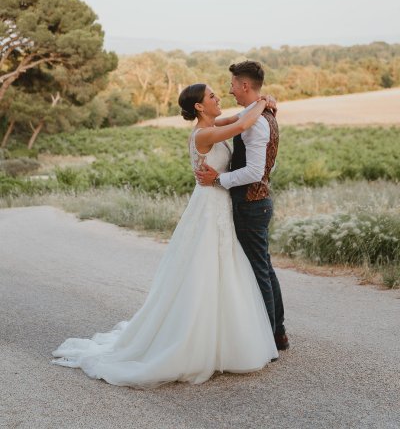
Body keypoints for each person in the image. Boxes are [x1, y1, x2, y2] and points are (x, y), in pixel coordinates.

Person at [52, 83, 278, 388]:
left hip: (217, 203)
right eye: (212, 96)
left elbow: (239, 116)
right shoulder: (204, 134)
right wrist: (263, 103)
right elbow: (242, 123)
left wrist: (262, 101)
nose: (218, 98)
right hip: (210, 207)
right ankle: (192, 342)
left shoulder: (213, 125)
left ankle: (223, 340)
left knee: (224, 268)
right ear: (199, 106)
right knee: (204, 269)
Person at [196, 61, 289, 351]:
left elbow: (254, 172)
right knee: (264, 268)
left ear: (245, 86)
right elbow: (231, 122)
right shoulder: (255, 112)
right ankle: (278, 332)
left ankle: (270, 338)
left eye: (233, 85)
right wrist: (265, 100)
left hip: (252, 203)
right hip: (255, 202)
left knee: (259, 271)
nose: (230, 90)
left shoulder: (257, 121)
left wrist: (219, 178)